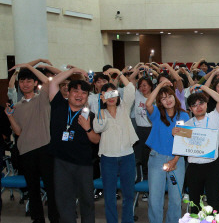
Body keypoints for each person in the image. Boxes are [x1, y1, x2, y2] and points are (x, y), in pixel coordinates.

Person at [4, 62, 59, 223]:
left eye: (29, 81)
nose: (25, 84)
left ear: (35, 83)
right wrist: (10, 116)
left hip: (45, 149)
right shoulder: (17, 106)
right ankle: (37, 219)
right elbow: (18, 132)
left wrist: (30, 66)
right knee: (33, 189)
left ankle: (55, 218)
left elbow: (49, 82)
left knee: (51, 188)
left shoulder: (42, 98)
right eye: (22, 81)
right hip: (26, 151)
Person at [49, 68, 100, 223]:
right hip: (61, 162)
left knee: (87, 202)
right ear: (68, 93)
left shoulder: (89, 115)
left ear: (87, 96)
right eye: (75, 91)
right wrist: (73, 71)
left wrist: (88, 128)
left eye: (84, 93)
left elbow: (96, 140)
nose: (79, 95)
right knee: (64, 202)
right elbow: (53, 82)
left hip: (84, 164)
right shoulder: (58, 105)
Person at [92, 68, 138, 223]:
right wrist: (101, 105)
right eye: (107, 94)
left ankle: (127, 221)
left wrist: (119, 73)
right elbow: (98, 127)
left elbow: (130, 88)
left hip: (127, 156)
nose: (111, 97)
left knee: (128, 194)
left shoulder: (124, 107)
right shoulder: (100, 111)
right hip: (108, 158)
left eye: (114, 93)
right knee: (110, 195)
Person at [172, 84, 219, 213]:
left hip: (212, 166)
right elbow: (182, 145)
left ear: (206, 104)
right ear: (190, 108)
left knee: (213, 203)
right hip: (194, 168)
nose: (198, 107)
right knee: (195, 204)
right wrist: (175, 133)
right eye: (194, 105)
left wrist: (203, 87)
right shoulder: (188, 125)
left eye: (201, 103)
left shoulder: (214, 118)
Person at [145, 80, 189, 223]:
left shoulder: (184, 115)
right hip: (156, 158)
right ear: (160, 102)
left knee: (176, 198)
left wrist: (175, 160)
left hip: (177, 160)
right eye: (163, 98)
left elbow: (185, 142)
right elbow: (147, 104)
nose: (168, 100)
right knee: (155, 198)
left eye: (169, 96)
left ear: (174, 97)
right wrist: (160, 86)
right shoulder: (157, 113)